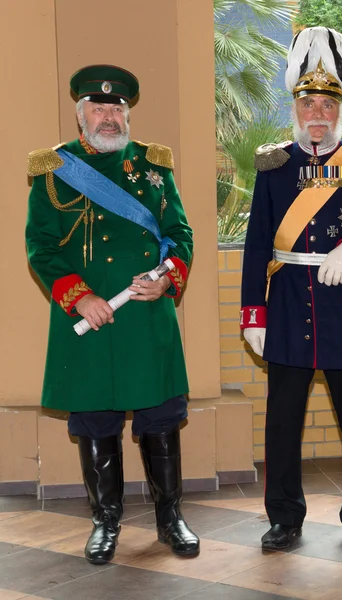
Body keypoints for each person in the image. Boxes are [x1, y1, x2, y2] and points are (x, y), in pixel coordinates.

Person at [26, 64, 199, 564]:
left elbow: (180, 234)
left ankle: (171, 519)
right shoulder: (54, 167)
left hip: (146, 316)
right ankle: (106, 521)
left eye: (116, 108)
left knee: (162, 419)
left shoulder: (154, 164)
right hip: (89, 319)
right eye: (98, 108)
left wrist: (168, 278)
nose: (108, 116)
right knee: (96, 421)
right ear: (81, 115)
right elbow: (39, 245)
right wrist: (79, 296)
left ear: (128, 114)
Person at [240, 26, 342, 553]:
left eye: (327, 103)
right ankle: (284, 517)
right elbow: (258, 244)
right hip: (287, 307)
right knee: (283, 424)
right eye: (308, 102)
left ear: (339, 108)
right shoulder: (274, 166)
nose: (318, 113)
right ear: (295, 107)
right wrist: (253, 314)